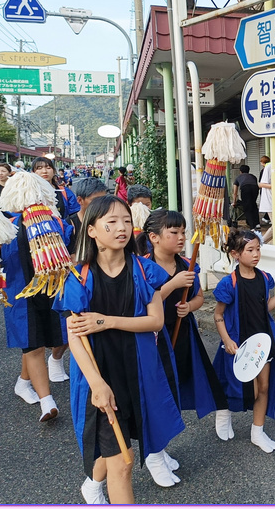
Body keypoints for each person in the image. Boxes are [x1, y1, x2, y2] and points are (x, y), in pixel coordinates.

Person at [53, 195, 184, 505]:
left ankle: (92, 485)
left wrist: (106, 321)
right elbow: (75, 338)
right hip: (98, 377)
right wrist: (97, 385)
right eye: (110, 222)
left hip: (137, 373)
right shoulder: (77, 277)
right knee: (123, 463)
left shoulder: (144, 270)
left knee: (120, 446)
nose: (121, 228)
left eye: (126, 220)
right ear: (92, 230)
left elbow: (155, 321)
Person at [137, 209, 229, 485]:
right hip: (153, 338)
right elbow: (141, 303)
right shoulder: (141, 266)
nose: (181, 237)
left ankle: (162, 448)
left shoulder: (189, 264)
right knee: (158, 391)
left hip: (183, 333)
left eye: (183, 232)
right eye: (173, 232)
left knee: (179, 386)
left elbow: (199, 297)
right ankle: (155, 453)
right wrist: (171, 285)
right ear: (153, 238)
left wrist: (189, 306)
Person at [212, 229, 275, 453]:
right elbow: (218, 315)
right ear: (236, 254)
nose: (256, 254)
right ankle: (224, 409)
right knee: (241, 387)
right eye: (250, 250)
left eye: (258, 249)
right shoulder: (229, 284)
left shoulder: (265, 278)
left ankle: (258, 431)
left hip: (262, 343)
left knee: (264, 387)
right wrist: (226, 340)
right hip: (239, 342)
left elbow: (264, 308)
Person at [0, 172, 67, 421]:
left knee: (48, 338)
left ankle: (23, 382)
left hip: (51, 289)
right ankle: (47, 402)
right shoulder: (6, 225)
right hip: (20, 294)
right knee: (33, 344)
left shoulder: (55, 221)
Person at [32, 156, 80, 381]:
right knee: (40, 313)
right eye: (39, 167)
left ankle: (57, 359)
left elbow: (74, 220)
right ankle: (35, 369)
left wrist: (74, 251)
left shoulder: (63, 193)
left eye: (47, 167)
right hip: (36, 258)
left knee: (66, 309)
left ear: (54, 170)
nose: (44, 171)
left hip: (63, 255)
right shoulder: (26, 193)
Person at [67, 178, 109, 258]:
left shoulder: (108, 221)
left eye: (103, 200)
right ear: (80, 200)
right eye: (94, 200)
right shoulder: (69, 225)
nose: (100, 204)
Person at [233, 165, 260, 230]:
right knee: (253, 204)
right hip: (255, 188)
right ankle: (257, 223)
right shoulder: (253, 176)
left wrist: (234, 202)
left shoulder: (238, 177)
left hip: (245, 188)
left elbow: (235, 192)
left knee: (247, 207)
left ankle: (252, 226)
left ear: (240, 171)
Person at [258, 156, 271, 224]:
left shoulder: (265, 169)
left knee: (268, 204)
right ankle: (267, 217)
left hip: (266, 189)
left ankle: (266, 218)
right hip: (270, 188)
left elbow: (261, 183)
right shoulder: (270, 167)